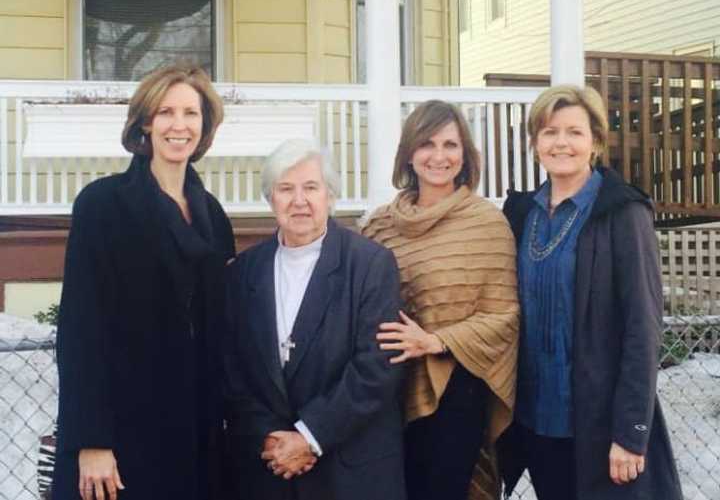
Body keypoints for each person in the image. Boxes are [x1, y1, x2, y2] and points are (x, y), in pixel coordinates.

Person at [53, 64, 236, 500]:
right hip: (121, 435)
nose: (179, 125)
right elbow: (80, 331)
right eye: (166, 112)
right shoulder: (103, 206)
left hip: (195, 435)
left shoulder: (213, 215)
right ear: (146, 123)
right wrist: (91, 440)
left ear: (205, 125)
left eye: (191, 114)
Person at [497, 85, 683, 500]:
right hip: (535, 421)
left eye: (574, 132)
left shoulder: (621, 212)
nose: (561, 142)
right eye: (549, 132)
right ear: (535, 143)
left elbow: (643, 326)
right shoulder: (521, 214)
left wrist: (632, 432)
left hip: (599, 427)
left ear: (595, 141)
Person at [224, 139, 406, 500]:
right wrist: (271, 438)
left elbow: (376, 367)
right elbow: (233, 371)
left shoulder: (370, 265)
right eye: (285, 189)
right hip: (269, 471)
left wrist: (309, 436)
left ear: (330, 196)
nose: (299, 201)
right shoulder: (244, 272)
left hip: (350, 473)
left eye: (311, 187)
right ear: (270, 199)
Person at [361, 100, 519, 500]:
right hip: (385, 391)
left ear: (465, 154)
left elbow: (505, 315)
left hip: (456, 393)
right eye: (427, 144)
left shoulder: (486, 222)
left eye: (450, 145)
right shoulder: (378, 225)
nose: (439, 156)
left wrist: (435, 341)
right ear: (409, 154)